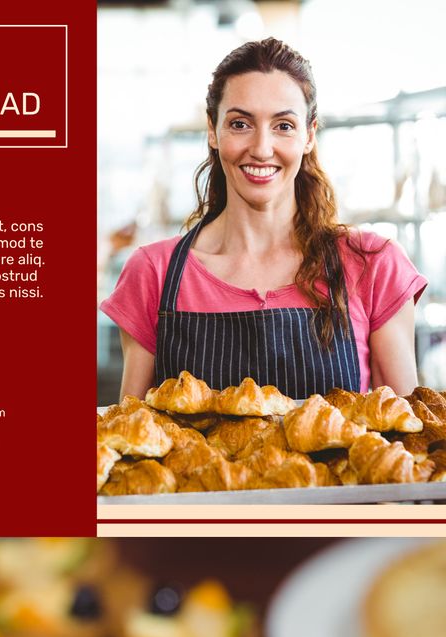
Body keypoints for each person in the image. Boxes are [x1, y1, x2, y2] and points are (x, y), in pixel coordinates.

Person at [100, 38, 427, 401]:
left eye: (284, 126)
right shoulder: (154, 273)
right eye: (240, 124)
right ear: (213, 131)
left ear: (309, 135)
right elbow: (130, 436)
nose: (261, 148)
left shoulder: (373, 264)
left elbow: (405, 439)